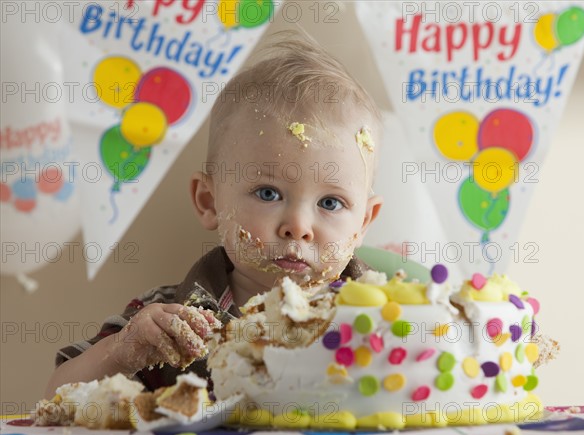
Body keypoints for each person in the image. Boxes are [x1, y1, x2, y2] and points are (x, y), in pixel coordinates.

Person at [45, 32, 383, 398]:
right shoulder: (164, 322)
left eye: (330, 203)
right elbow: (55, 398)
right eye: (268, 193)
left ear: (363, 221)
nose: (298, 227)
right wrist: (120, 352)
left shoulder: (387, 313)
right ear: (209, 202)